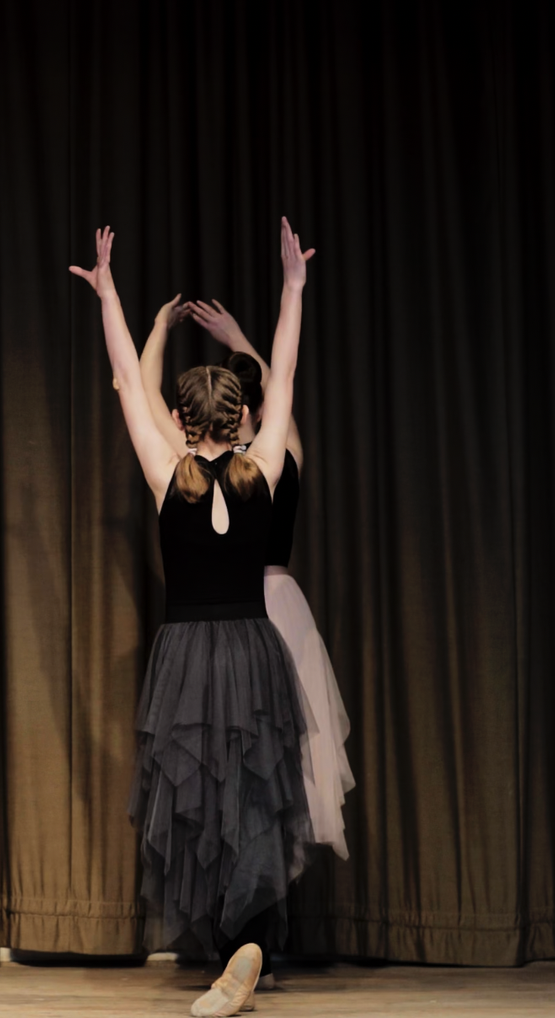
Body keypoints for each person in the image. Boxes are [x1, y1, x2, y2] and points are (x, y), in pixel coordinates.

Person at [70, 220, 317, 1018]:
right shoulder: (266, 464)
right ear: (237, 417)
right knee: (249, 792)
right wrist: (292, 289)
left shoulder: (164, 471)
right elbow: (283, 379)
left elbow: (122, 375)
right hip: (251, 646)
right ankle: (244, 944)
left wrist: (110, 293)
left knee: (200, 797)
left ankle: (235, 944)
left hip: (186, 652)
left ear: (182, 420)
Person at [177, 302, 354, 866]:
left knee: (243, 752)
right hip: (282, 603)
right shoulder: (281, 459)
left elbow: (277, 403)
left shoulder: (213, 469)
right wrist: (241, 339)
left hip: (244, 609)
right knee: (278, 755)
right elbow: (283, 400)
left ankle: (250, 894)